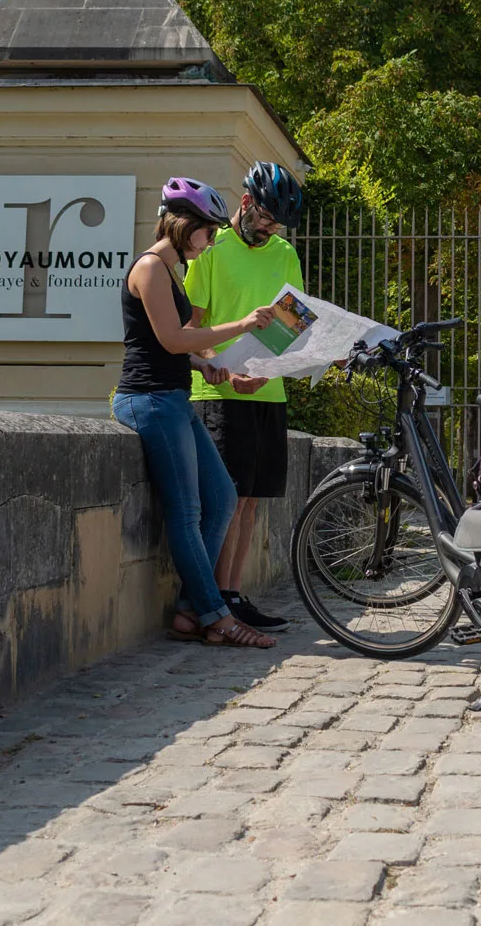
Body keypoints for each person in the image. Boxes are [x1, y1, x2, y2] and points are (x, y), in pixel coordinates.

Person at [111, 177, 279, 649]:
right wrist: (242, 325)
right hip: (147, 400)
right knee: (186, 511)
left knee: (222, 496)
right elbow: (170, 339)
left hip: (173, 397)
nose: (210, 239)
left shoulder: (174, 271)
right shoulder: (149, 269)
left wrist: (209, 365)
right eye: (207, 229)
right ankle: (215, 616)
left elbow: (178, 349)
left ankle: (190, 609)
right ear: (184, 225)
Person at [186, 161, 307, 632]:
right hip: (217, 390)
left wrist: (264, 368)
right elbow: (192, 328)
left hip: (268, 391)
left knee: (252, 500)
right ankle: (211, 602)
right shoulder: (211, 251)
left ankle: (234, 595)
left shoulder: (284, 253)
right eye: (266, 217)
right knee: (227, 500)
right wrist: (229, 370)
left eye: (277, 222)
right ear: (245, 203)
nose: (271, 228)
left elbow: (292, 322)